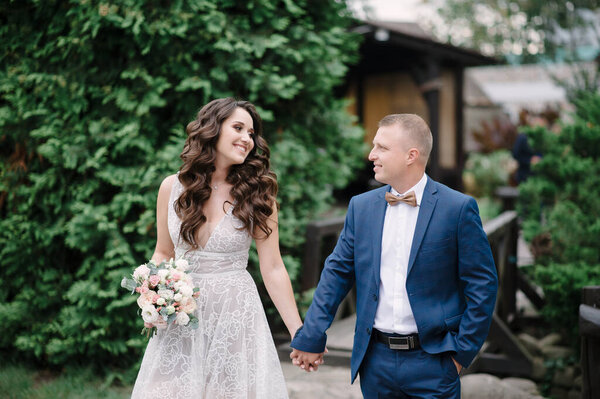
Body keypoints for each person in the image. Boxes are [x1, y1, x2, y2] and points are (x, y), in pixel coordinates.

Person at [290, 114, 498, 398]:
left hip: (434, 361)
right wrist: (312, 335)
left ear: (411, 155)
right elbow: (336, 273)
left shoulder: (458, 209)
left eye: (382, 147)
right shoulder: (361, 207)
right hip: (375, 362)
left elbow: (482, 285)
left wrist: (461, 355)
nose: (371, 155)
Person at [131, 98, 302, 399]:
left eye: (251, 133)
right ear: (212, 129)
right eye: (238, 128)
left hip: (235, 313)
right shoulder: (172, 187)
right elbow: (162, 252)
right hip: (182, 315)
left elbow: (273, 267)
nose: (247, 139)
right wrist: (153, 296)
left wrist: (298, 331)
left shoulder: (259, 196)